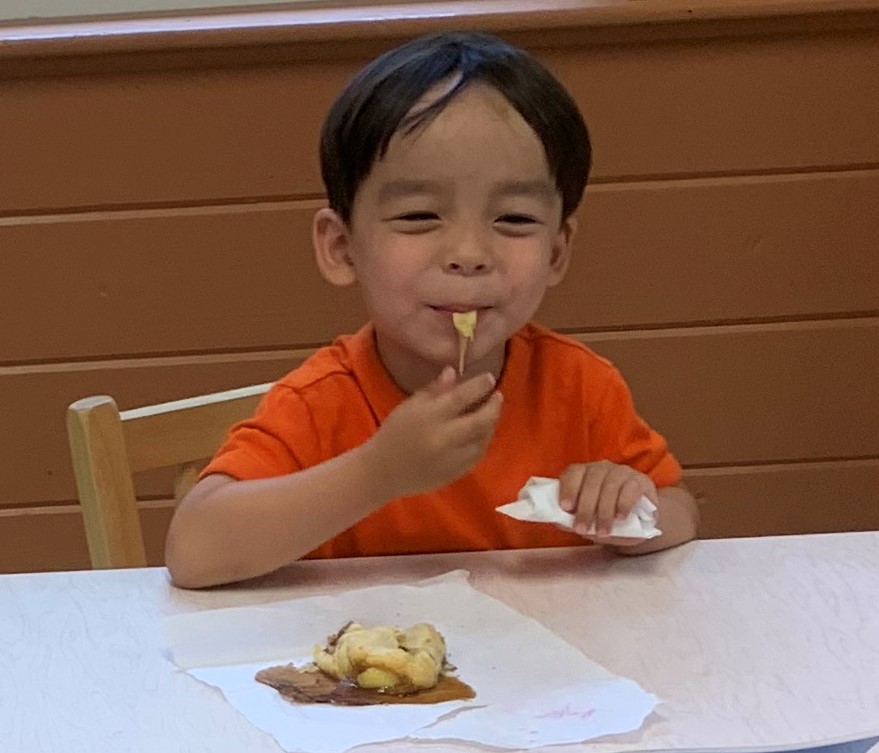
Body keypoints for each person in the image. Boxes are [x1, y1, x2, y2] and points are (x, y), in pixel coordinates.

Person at [165, 31, 699, 588]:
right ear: (342, 248)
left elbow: (681, 510)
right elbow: (194, 551)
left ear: (557, 252)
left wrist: (632, 512)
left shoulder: (580, 387)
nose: (469, 255)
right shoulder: (321, 405)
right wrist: (380, 472)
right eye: (420, 216)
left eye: (514, 219)